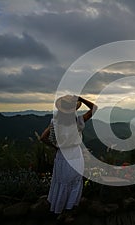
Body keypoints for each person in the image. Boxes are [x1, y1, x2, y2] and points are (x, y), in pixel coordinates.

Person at [41, 95, 97, 223]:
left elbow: (43, 137)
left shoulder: (54, 122)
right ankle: (69, 212)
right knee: (74, 183)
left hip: (61, 155)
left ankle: (58, 209)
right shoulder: (77, 121)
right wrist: (81, 99)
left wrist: (56, 148)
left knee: (61, 182)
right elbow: (94, 108)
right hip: (75, 154)